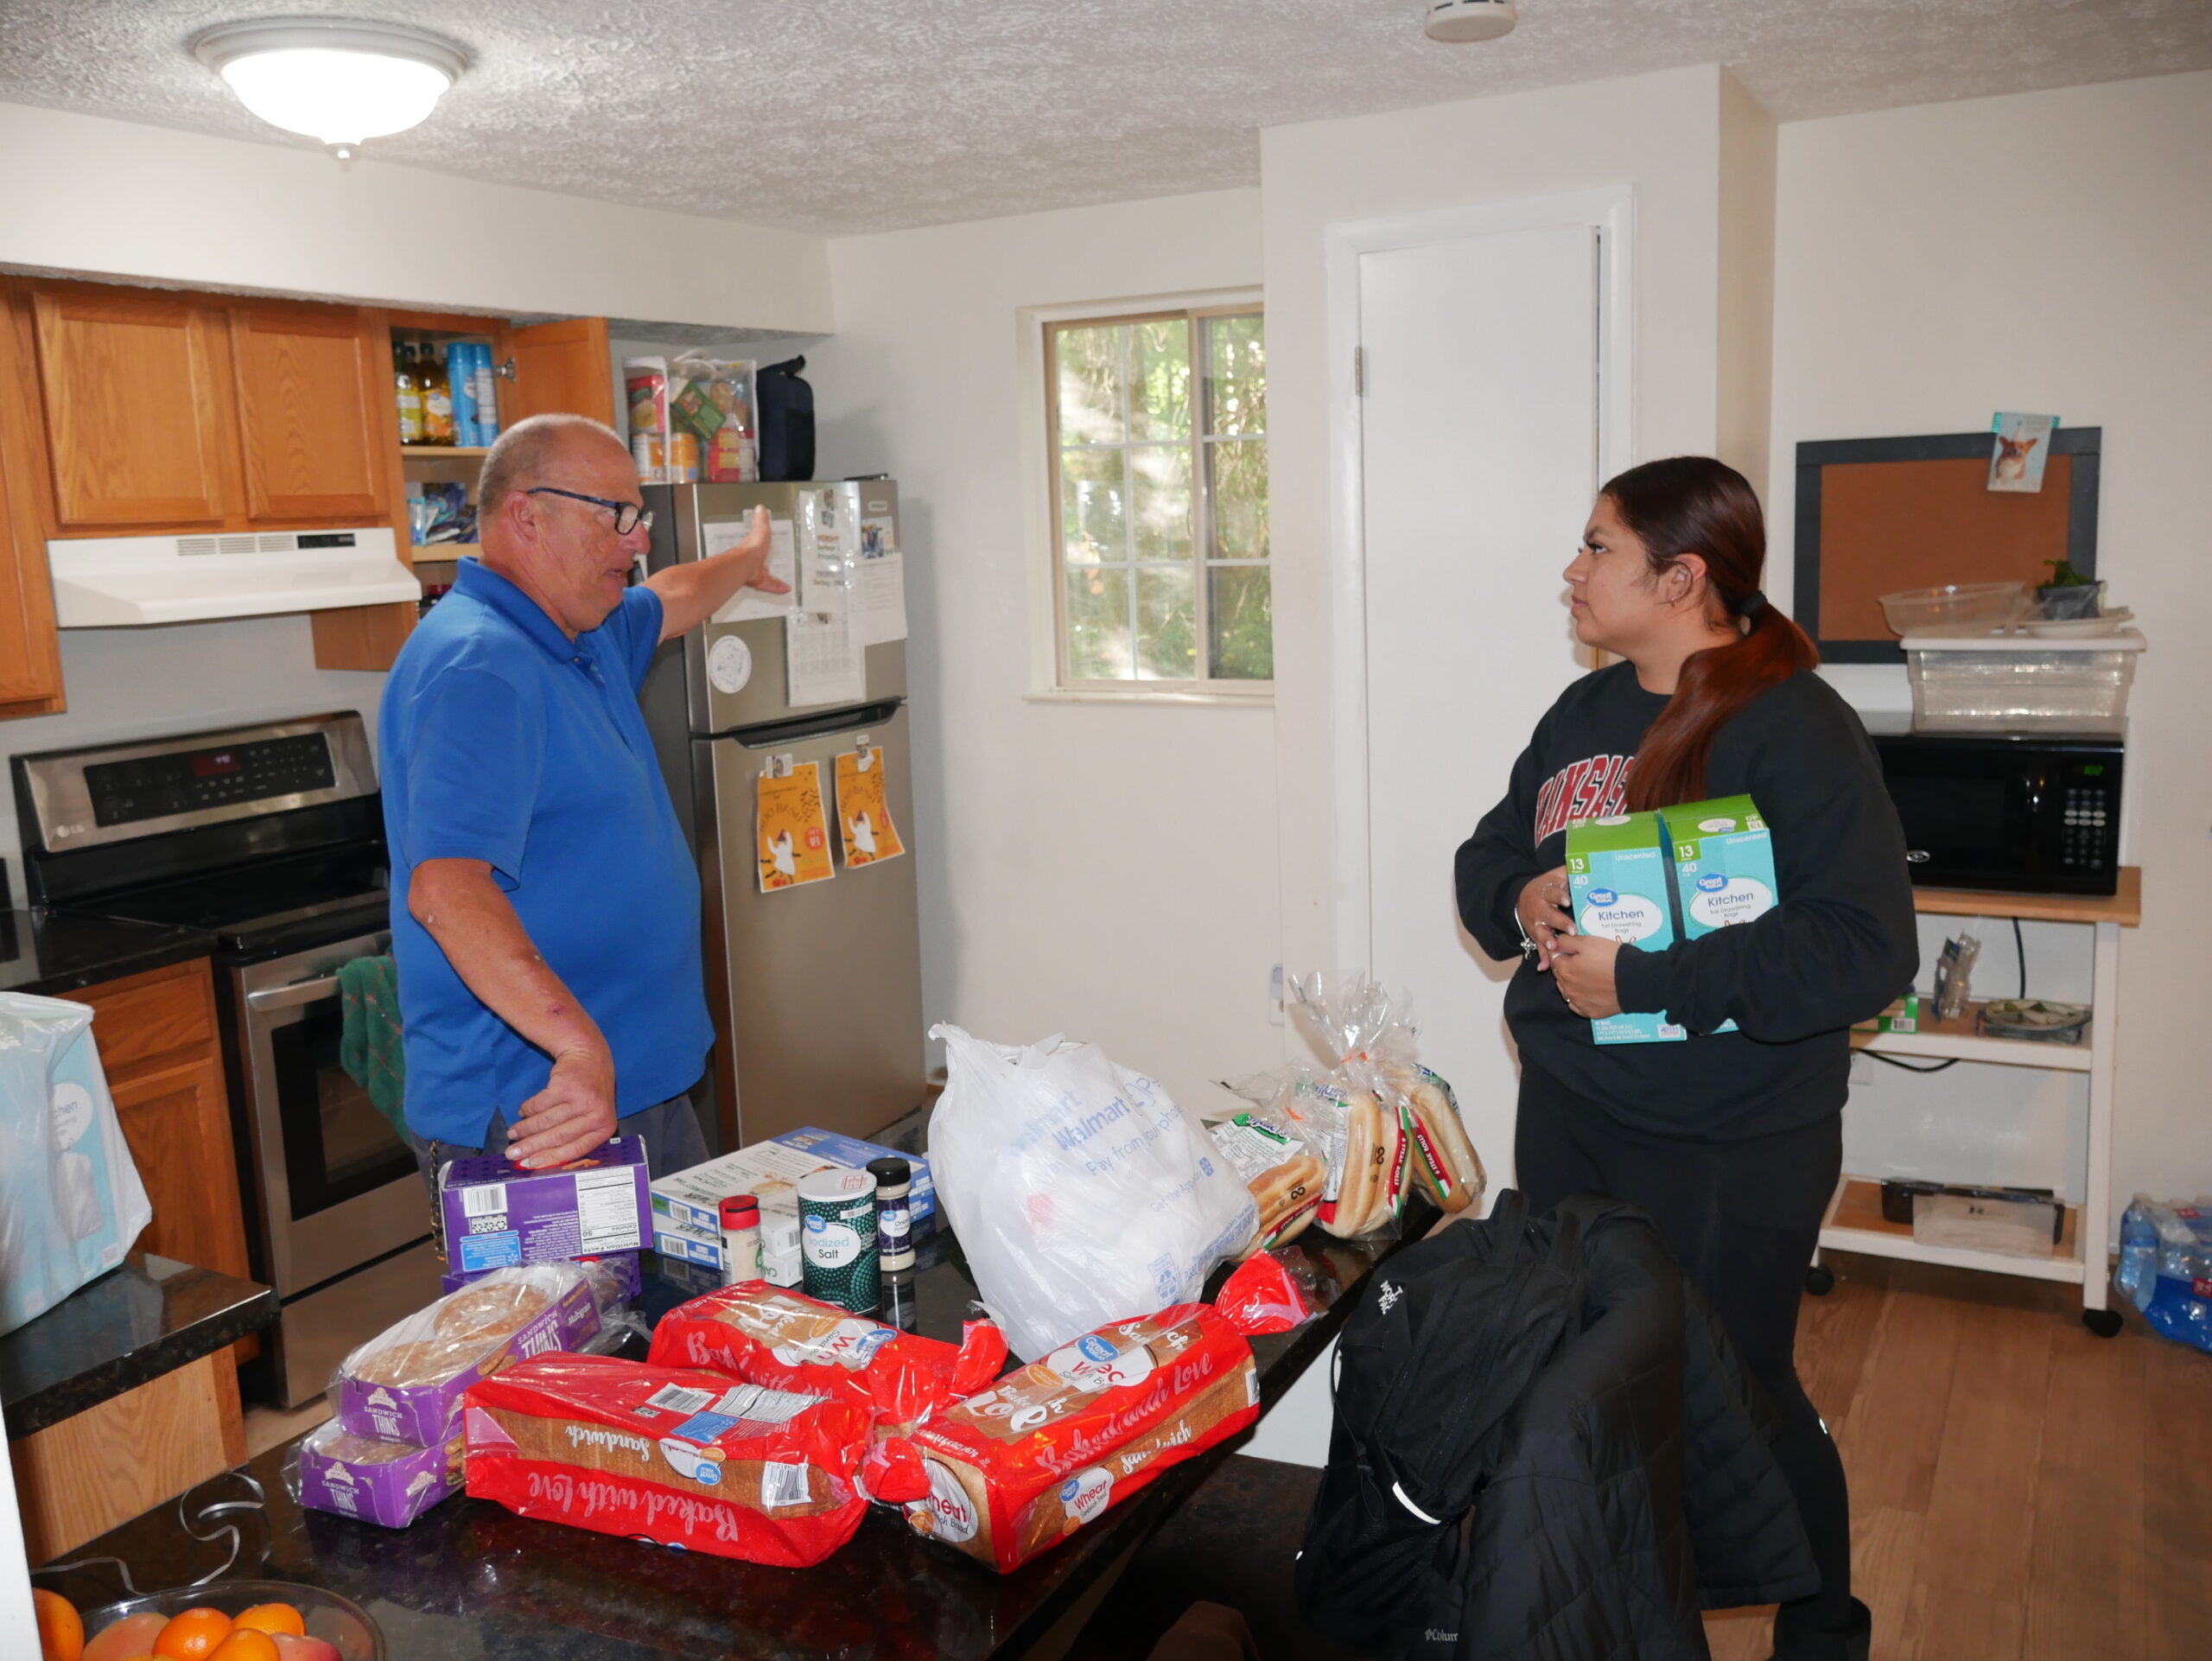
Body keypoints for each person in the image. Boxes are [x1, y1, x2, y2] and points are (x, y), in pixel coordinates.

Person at [1454, 456, 1916, 1661]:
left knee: (1738, 1391)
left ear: (1681, 575)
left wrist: (1648, 979)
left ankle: (1824, 1631)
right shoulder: (1583, 716)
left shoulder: (1797, 729)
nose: (1573, 567)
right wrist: (1524, 891)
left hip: (1731, 1142)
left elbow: (1864, 949)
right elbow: (1487, 853)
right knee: (1588, 1382)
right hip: (1572, 1110)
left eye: (1597, 546)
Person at [380, 412, 789, 1212]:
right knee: (581, 1339)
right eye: (617, 516)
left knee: (669, 1331)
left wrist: (744, 562)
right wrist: (575, 1045)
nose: (639, 541)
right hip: (545, 1110)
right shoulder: (483, 666)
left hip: (633, 1081)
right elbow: (447, 890)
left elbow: (672, 596)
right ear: (527, 516)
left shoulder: (577, 632)